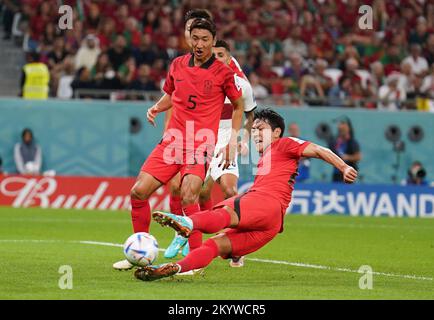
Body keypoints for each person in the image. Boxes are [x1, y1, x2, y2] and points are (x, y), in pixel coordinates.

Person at [133, 108, 358, 281]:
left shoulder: (285, 144)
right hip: (271, 226)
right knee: (214, 247)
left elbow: (320, 150)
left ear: (277, 132)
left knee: (224, 213)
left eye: (261, 129)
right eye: (255, 130)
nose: (256, 134)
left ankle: (187, 223)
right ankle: (175, 268)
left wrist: (344, 167)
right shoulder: (267, 156)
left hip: (264, 202)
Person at [113, 18, 244, 270]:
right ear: (189, 39)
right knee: (138, 192)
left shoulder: (223, 73)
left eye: (205, 39)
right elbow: (172, 94)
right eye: (195, 38)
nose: (199, 44)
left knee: (188, 195)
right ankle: (140, 248)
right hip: (173, 140)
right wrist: (156, 107)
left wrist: (232, 141)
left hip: (201, 142)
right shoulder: (177, 65)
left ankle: (195, 259)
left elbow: (238, 106)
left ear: (213, 41)